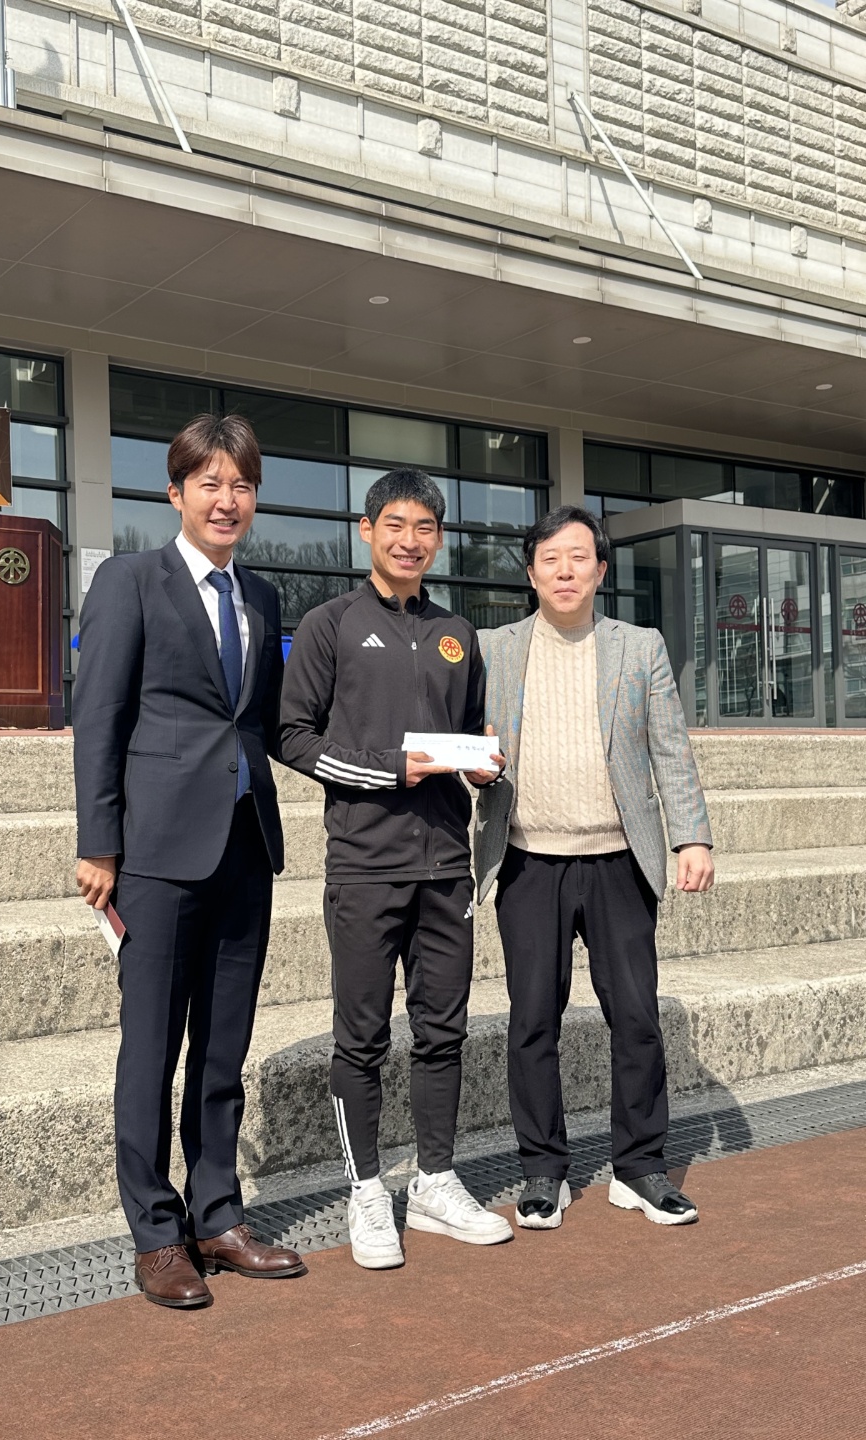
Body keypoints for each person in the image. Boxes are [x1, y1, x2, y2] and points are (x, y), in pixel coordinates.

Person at [73, 413, 306, 1308]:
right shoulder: (131, 580)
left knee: (223, 1047)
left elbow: (268, 723)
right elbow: (99, 718)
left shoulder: (262, 597)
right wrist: (99, 843)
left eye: (241, 484)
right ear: (176, 493)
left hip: (245, 847)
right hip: (157, 856)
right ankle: (156, 1233)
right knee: (151, 1048)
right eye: (209, 482)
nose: (227, 499)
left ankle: (218, 1216)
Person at [279, 468, 512, 1269]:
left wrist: (482, 764)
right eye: (395, 525)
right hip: (364, 864)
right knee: (363, 1038)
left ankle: (437, 1181)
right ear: (367, 530)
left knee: (443, 1031)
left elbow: (469, 731)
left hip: (446, 865)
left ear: (439, 539)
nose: (410, 541)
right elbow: (293, 736)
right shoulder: (330, 624)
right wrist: (388, 769)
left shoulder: (457, 632)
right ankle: (367, 1190)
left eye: (424, 528)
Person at [475, 505, 714, 1230]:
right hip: (528, 861)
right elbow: (465, 745)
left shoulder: (639, 647)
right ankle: (542, 1170)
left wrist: (691, 838)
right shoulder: (492, 649)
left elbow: (670, 748)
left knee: (636, 1018)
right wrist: (472, 768)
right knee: (532, 1022)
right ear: (531, 573)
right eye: (550, 559)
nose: (565, 571)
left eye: (579, 557)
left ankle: (640, 1168)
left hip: (618, 861)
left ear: (601, 570)